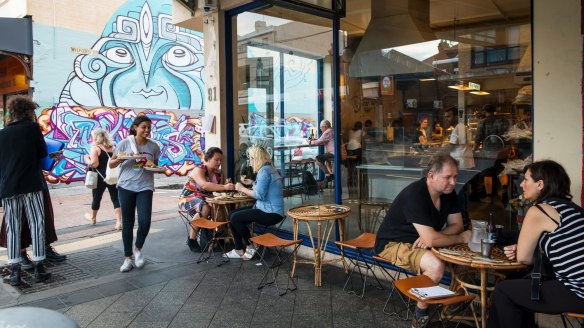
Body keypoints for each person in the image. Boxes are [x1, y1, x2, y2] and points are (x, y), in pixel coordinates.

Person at [374, 153, 471, 327]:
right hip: (393, 243)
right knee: (435, 266)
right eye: (448, 177)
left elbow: (457, 224)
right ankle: (420, 317)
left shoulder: (448, 193)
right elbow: (447, 235)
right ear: (431, 176)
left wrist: (433, 236)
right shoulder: (415, 194)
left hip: (421, 241)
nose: (453, 182)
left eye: (455, 177)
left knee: (465, 261)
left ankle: (451, 307)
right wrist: (456, 237)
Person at [488, 160, 584, 327]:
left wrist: (522, 251)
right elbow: (565, 251)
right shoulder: (574, 210)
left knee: (503, 292)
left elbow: (523, 258)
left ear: (540, 184)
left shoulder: (539, 210)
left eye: (526, 179)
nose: (522, 184)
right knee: (518, 286)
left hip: (578, 291)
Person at [0, 95, 51, 285]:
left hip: (9, 187)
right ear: (28, 111)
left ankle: (15, 272)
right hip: (31, 184)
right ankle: (39, 269)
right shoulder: (32, 128)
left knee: (12, 228)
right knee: (36, 223)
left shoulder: (2, 134)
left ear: (12, 112)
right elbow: (43, 152)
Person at [109, 116, 161, 273]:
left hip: (145, 186)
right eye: (143, 127)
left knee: (145, 221)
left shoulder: (154, 146)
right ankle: (128, 258)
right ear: (135, 127)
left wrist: (149, 166)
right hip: (126, 186)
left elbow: (154, 165)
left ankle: (138, 248)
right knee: (128, 222)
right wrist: (121, 159)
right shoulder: (124, 143)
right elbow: (111, 163)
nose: (146, 130)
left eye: (149, 128)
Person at [223, 146, 284, 260]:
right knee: (231, 215)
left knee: (235, 218)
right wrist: (253, 183)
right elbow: (264, 189)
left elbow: (259, 195)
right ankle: (239, 249)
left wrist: (241, 188)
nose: (250, 161)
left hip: (270, 213)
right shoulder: (269, 168)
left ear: (256, 158)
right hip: (270, 209)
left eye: (251, 158)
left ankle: (251, 244)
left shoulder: (263, 171)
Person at [178, 147, 235, 252]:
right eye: (216, 159)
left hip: (207, 198)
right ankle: (192, 239)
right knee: (205, 207)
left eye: (220, 160)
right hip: (188, 197)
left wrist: (226, 190)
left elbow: (217, 190)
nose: (219, 162)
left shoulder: (218, 173)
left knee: (222, 205)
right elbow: (204, 185)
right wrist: (225, 187)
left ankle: (219, 235)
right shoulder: (199, 169)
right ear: (208, 159)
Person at [84, 128, 122, 230]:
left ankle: (93, 217)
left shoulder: (95, 148)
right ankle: (119, 222)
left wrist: (87, 159)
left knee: (97, 197)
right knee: (116, 198)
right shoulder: (113, 147)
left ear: (95, 137)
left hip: (100, 178)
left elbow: (94, 164)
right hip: (113, 176)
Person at [473, 104, 508, 203]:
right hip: (501, 151)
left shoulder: (482, 122)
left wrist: (473, 150)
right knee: (502, 171)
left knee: (487, 174)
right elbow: (507, 135)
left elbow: (479, 137)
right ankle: (504, 191)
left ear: (484, 112)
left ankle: (488, 197)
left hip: (488, 152)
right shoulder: (501, 121)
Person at [346, 121, 363, 190]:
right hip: (357, 148)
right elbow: (365, 138)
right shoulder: (361, 131)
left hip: (349, 148)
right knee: (358, 164)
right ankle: (356, 180)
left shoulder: (350, 131)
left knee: (351, 165)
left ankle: (351, 181)